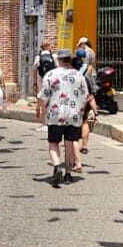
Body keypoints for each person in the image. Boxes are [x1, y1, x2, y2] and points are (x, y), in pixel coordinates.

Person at [37, 49, 90, 188]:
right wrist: (81, 110)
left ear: (58, 60)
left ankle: (56, 166)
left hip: (55, 114)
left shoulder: (50, 75)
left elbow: (43, 96)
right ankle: (68, 175)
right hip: (74, 115)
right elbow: (85, 97)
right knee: (69, 144)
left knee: (53, 142)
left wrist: (40, 111)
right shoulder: (79, 76)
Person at [72, 49, 99, 168]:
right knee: (85, 122)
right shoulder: (88, 69)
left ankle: (74, 148)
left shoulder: (70, 72)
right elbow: (92, 88)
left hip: (73, 102)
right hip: (85, 99)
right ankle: (85, 146)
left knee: (72, 127)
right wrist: (95, 111)